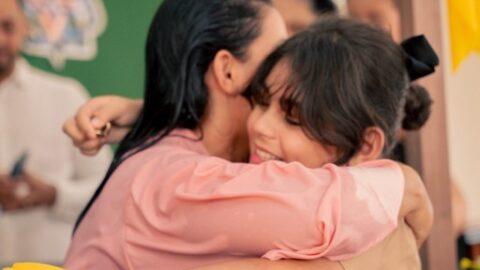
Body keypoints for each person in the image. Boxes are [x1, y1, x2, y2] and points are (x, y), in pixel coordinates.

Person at [63, 0, 431, 269]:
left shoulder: (179, 165)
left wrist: (146, 109)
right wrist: (406, 183)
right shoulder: (179, 180)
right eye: (275, 53)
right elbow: (330, 208)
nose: (292, 66)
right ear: (227, 72)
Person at [0, 0, 111, 264]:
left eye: (6, 26)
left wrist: (54, 194)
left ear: (26, 27)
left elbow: (106, 186)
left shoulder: (65, 96)